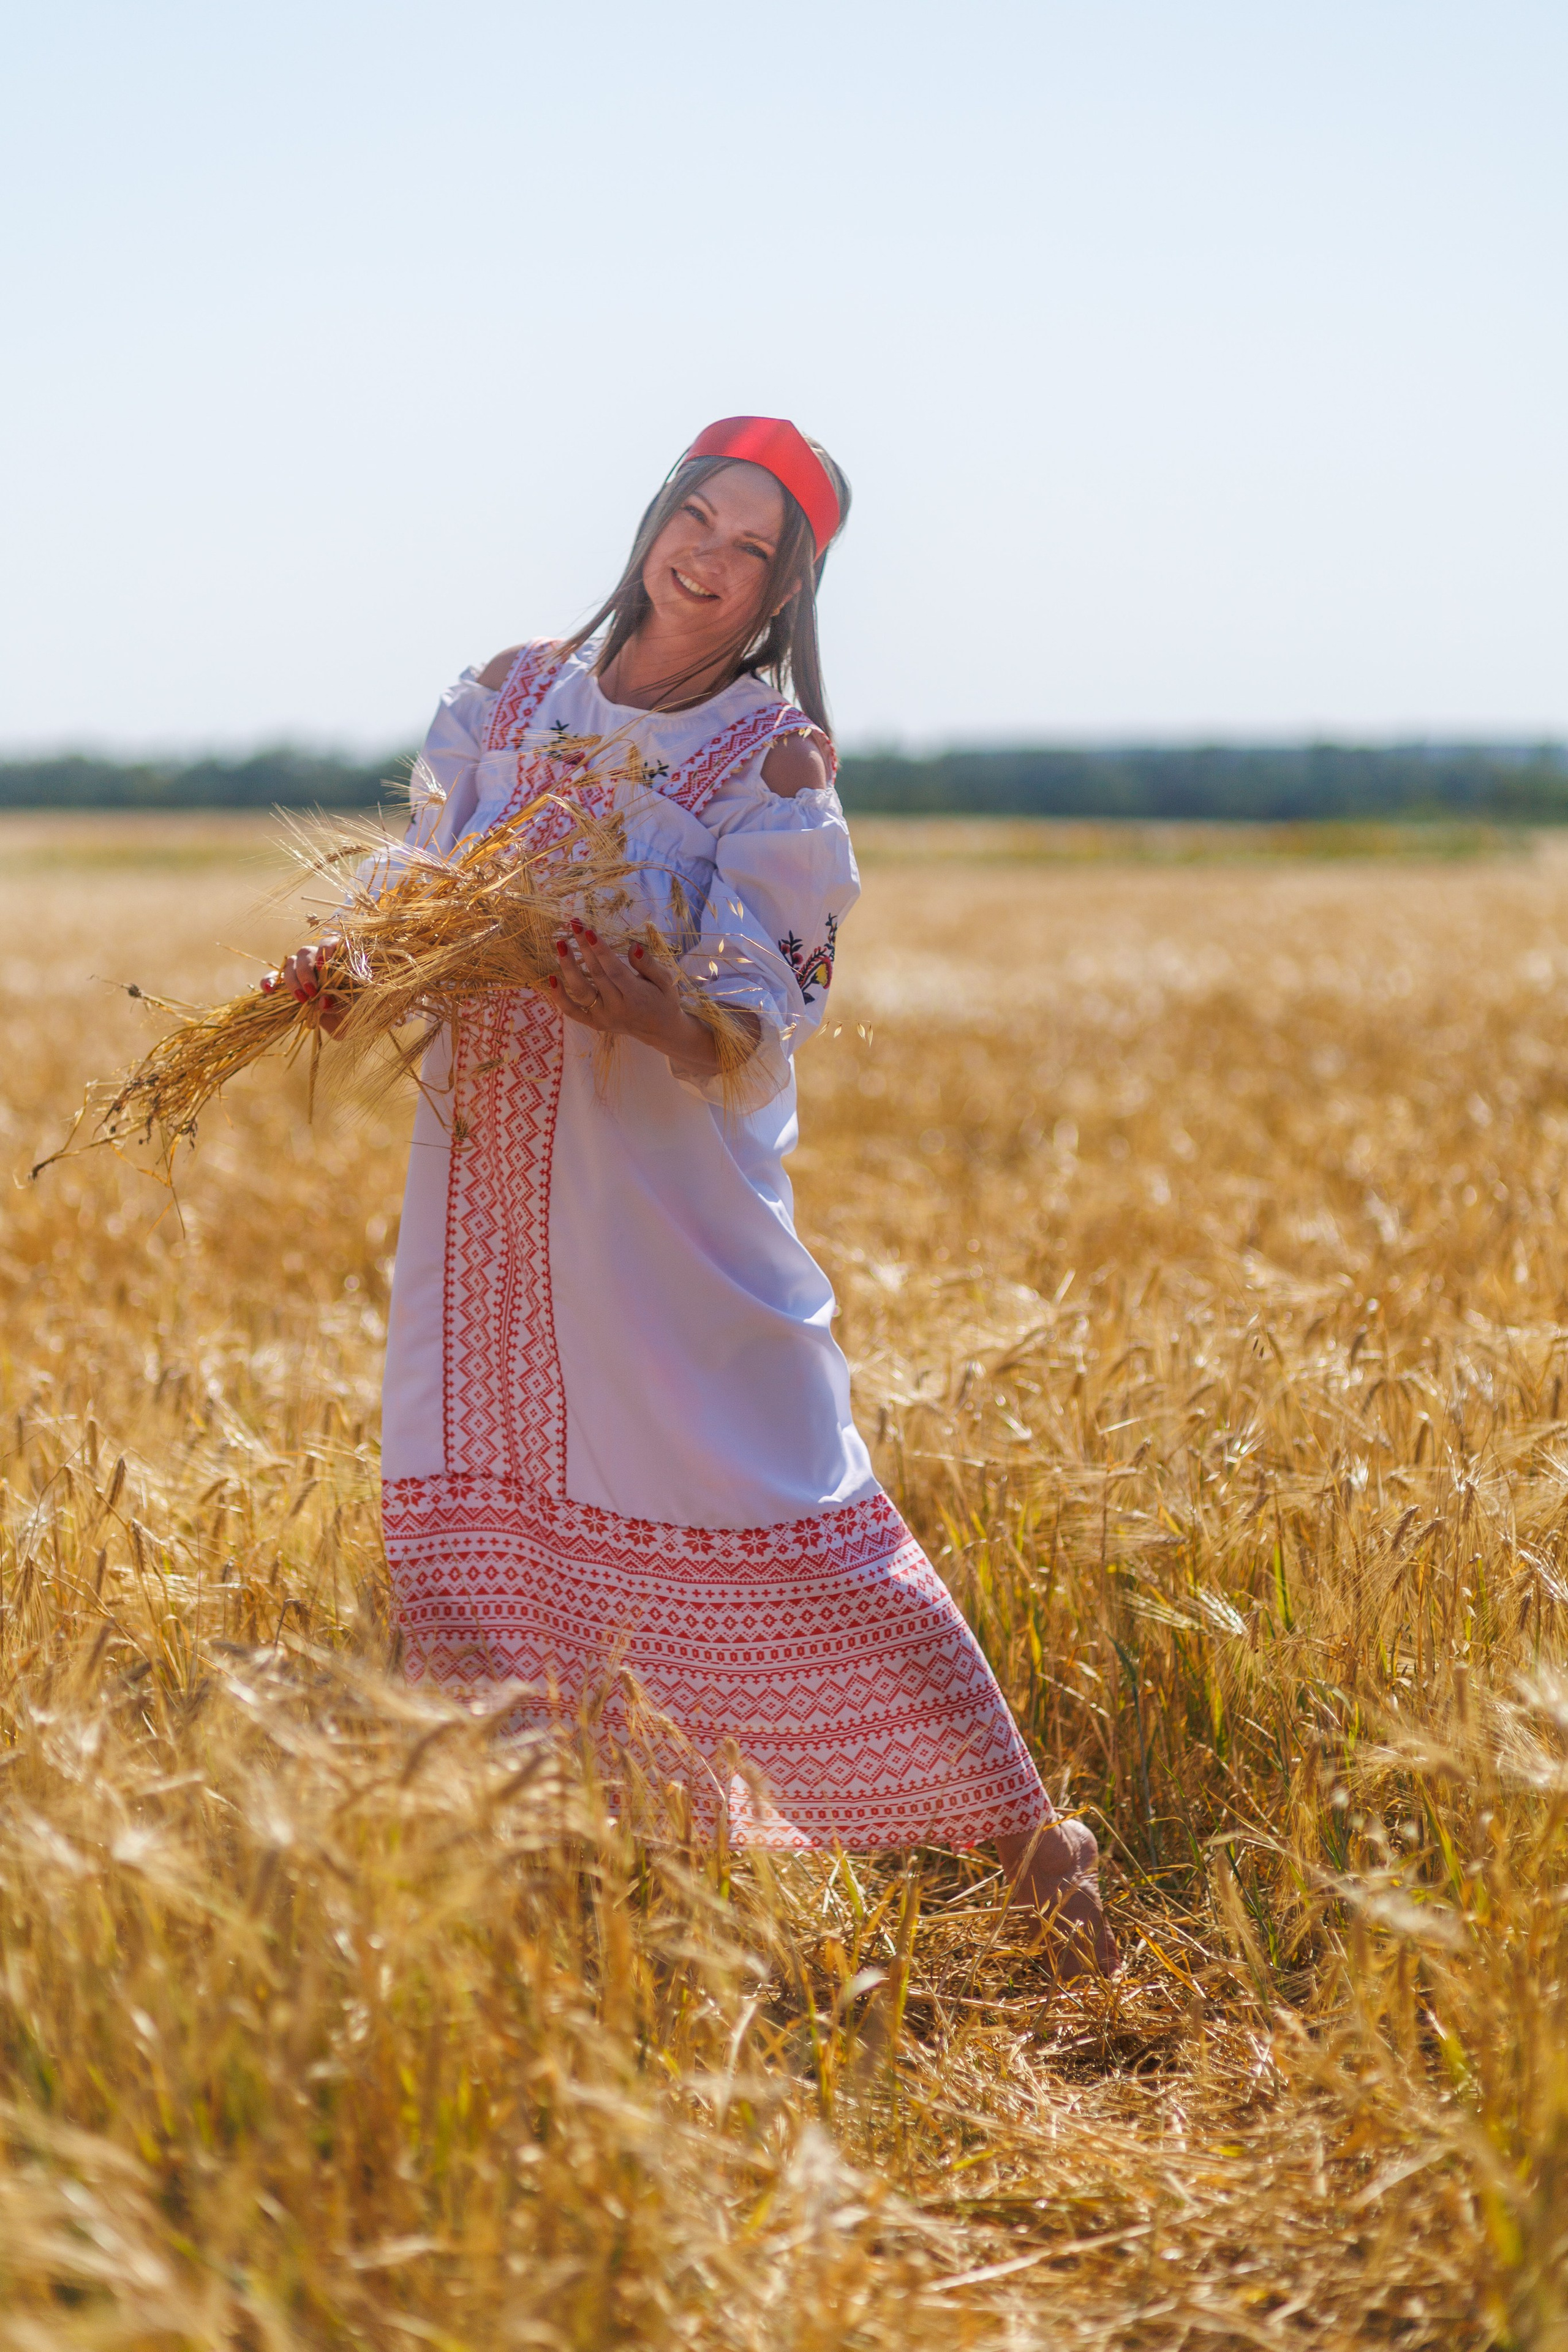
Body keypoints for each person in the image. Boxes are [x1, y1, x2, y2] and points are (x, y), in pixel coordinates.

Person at [279, 416, 1117, 1975]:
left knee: (782, 1503)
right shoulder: (510, 694)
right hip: (485, 1187)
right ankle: (547, 1906)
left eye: (754, 550)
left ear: (786, 591)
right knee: (491, 1508)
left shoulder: (770, 759)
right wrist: (348, 966)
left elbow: (758, 997)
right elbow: (424, 877)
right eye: (699, 516)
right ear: (656, 513)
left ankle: (1031, 1849)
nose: (710, 559)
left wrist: (646, 1014)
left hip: (662, 1198)